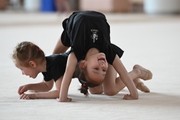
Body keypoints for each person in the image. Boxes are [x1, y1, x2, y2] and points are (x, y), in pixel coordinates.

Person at [53, 11, 153, 102]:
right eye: (104, 70)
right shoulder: (107, 50)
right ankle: (134, 76)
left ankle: (137, 72)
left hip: (78, 23)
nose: (103, 66)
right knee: (95, 91)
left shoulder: (77, 50)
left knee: (110, 91)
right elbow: (122, 71)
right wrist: (134, 94)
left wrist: (62, 97)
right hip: (79, 26)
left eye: (96, 68)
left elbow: (68, 71)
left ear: (83, 63)